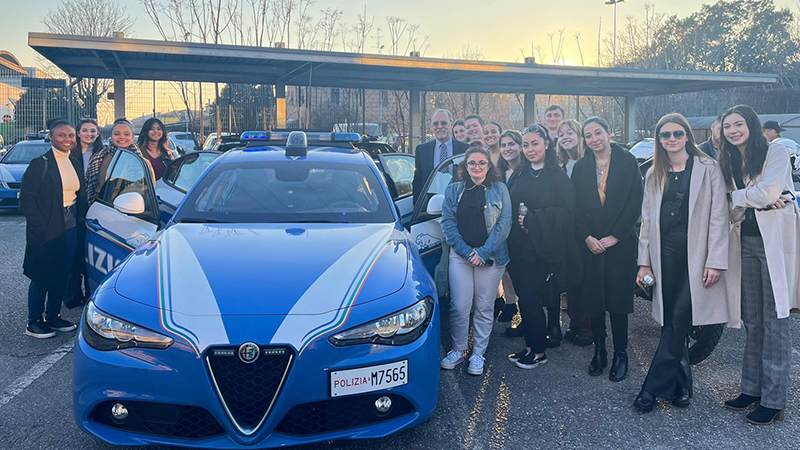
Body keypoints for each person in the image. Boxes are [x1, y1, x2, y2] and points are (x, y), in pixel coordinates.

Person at [633, 113, 730, 413]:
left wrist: (715, 260)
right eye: (665, 135)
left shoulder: (707, 168)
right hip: (665, 256)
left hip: (697, 255)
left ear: (687, 135)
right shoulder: (654, 172)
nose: (671, 139)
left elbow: (719, 216)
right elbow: (647, 222)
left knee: (677, 318)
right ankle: (682, 386)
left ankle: (650, 389)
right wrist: (644, 263)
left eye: (677, 133)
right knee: (671, 323)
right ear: (659, 140)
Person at [719, 105, 800, 426]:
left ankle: (774, 400)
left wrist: (739, 197)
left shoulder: (776, 152)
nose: (733, 130)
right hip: (746, 242)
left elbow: (766, 193)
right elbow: (743, 202)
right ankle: (751, 389)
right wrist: (753, 198)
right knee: (752, 318)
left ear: (751, 124)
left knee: (775, 320)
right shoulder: (729, 160)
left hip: (775, 244)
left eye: (739, 124)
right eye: (728, 126)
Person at [572, 117, 643, 381]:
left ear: (609, 132)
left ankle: (621, 354)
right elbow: (575, 207)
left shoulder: (628, 161)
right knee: (594, 299)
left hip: (620, 242)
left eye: (598, 133)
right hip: (591, 244)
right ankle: (599, 351)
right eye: (588, 135)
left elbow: (636, 201)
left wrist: (617, 236)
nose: (594, 139)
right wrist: (587, 237)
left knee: (617, 301)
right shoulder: (580, 167)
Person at [506, 125, 581, 369]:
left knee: (530, 298)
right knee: (524, 299)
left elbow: (567, 214)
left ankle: (538, 352)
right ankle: (530, 346)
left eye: (534, 144)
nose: (529, 150)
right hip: (517, 247)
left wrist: (534, 219)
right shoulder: (519, 174)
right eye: (525, 145)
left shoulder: (557, 176)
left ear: (546, 144)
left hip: (542, 249)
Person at [439, 145, 511, 376]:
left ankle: (478, 353)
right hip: (460, 257)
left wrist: (482, 253)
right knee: (459, 306)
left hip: (490, 257)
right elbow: (448, 223)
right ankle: (458, 350)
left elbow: (504, 225)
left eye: (482, 163)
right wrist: (466, 251)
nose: (477, 167)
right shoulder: (453, 190)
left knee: (484, 306)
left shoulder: (499, 189)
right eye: (472, 163)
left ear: (489, 166)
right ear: (465, 166)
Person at [19, 119, 87, 338]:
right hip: (47, 227)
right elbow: (26, 200)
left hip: (70, 224)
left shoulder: (75, 163)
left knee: (63, 272)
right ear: (51, 137)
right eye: (62, 135)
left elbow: (79, 195)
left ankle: (53, 316)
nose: (67, 139)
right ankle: (34, 322)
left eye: (71, 136)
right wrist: (41, 225)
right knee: (42, 274)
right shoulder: (40, 164)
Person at [554, 119, 592, 345]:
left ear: (579, 136)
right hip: (565, 230)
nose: (565, 136)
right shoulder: (561, 165)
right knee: (572, 280)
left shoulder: (588, 162)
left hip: (585, 229)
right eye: (561, 133)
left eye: (570, 132)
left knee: (586, 280)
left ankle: (587, 326)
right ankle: (574, 322)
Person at [64, 118, 103, 308]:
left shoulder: (103, 154)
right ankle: (72, 295)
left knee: (90, 253)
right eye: (85, 130)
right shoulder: (69, 154)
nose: (89, 134)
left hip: (96, 209)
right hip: (73, 209)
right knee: (73, 252)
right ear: (78, 133)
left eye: (93, 131)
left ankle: (91, 294)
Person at [412, 109, 469, 205]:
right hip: (430, 206)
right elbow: (418, 181)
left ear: (451, 125)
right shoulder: (421, 150)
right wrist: (418, 208)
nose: (439, 127)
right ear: (431, 127)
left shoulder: (465, 149)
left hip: (459, 204)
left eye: (443, 123)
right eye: (435, 124)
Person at [496, 130, 523, 323]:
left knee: (523, 277)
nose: (507, 148)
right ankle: (511, 304)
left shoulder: (529, 171)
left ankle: (528, 317)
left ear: (521, 146)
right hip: (502, 229)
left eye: (512, 144)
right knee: (506, 269)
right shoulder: (498, 173)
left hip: (523, 229)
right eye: (503, 145)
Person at [90, 119, 148, 202]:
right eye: (117, 134)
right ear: (111, 136)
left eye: (126, 134)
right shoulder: (100, 156)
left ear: (132, 138)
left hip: (132, 206)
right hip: (103, 205)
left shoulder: (141, 159)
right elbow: (93, 186)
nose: (122, 137)